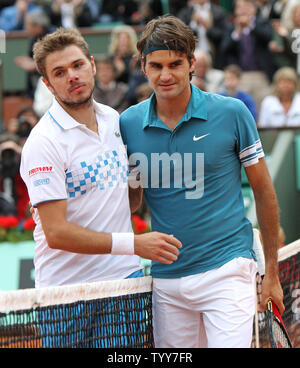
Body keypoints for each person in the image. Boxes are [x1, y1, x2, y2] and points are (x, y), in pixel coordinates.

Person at [120, 15, 284, 348]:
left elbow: (264, 192)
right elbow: (133, 200)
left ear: (192, 62)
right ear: (143, 66)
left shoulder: (233, 112)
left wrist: (273, 273)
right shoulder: (128, 123)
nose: (166, 75)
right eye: (156, 66)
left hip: (227, 271)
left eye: (176, 64)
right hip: (167, 281)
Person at [19, 27, 182, 290]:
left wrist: (136, 174)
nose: (72, 76)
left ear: (92, 65)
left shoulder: (114, 119)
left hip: (125, 278)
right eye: (60, 73)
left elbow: (125, 204)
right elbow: (57, 233)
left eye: (78, 65)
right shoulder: (43, 142)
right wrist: (134, 244)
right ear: (47, 84)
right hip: (67, 291)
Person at [221, 0, 277, 108]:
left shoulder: (262, 22)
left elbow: (268, 37)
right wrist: (237, 33)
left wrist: (250, 26)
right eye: (239, 7)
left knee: (262, 105)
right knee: (241, 107)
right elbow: (225, 48)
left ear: (254, 9)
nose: (243, 10)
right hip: (241, 75)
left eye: (246, 7)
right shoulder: (231, 27)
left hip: (261, 74)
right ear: (236, 11)